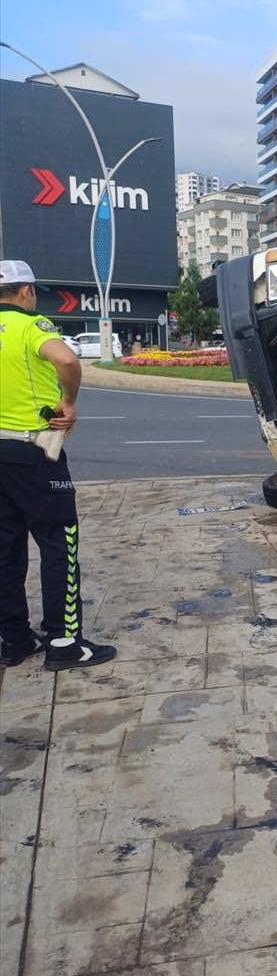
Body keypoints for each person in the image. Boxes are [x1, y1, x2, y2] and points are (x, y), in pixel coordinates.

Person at [0, 260, 116, 670]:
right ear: (26, 292)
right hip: (33, 455)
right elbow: (67, 361)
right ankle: (64, 644)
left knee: (6, 551)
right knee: (59, 545)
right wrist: (68, 403)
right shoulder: (32, 326)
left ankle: (13, 641)